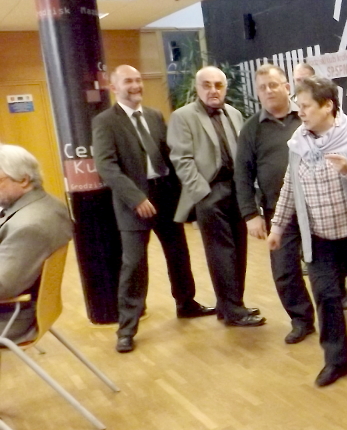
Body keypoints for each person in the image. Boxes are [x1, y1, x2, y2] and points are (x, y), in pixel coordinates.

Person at [268, 75, 347, 387]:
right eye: (299, 105)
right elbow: (289, 187)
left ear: (328, 106)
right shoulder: (298, 142)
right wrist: (277, 227)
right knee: (326, 297)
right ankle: (335, 360)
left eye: (306, 106)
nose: (300, 112)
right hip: (318, 237)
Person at [93, 65, 216, 353]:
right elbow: (106, 167)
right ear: (114, 88)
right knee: (134, 264)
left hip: (166, 196)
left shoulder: (155, 115)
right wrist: (136, 198)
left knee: (179, 254)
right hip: (134, 203)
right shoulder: (105, 121)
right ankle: (127, 328)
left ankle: (186, 303)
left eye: (138, 80)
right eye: (128, 81)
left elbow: (170, 155)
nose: (135, 85)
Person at [168, 66, 265, 327]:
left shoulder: (234, 113)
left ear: (225, 88)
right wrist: (203, 193)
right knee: (221, 254)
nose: (213, 90)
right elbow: (181, 160)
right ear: (198, 88)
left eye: (218, 85)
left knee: (239, 250)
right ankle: (233, 311)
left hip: (237, 190)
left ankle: (231, 305)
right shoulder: (182, 116)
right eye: (207, 85)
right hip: (209, 192)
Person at [235, 64, 317, 344]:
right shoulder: (251, 130)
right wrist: (250, 214)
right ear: (258, 93)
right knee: (284, 270)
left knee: (324, 263)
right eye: (262, 88)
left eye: (273, 85)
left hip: (317, 205)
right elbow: (242, 174)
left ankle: (333, 308)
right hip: (278, 212)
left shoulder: (306, 116)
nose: (268, 91)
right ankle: (302, 320)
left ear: (286, 87)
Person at [0, 145, 73, 343]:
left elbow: (3, 287)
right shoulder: (50, 205)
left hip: (11, 318)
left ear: (23, 180)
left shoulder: (28, 226)